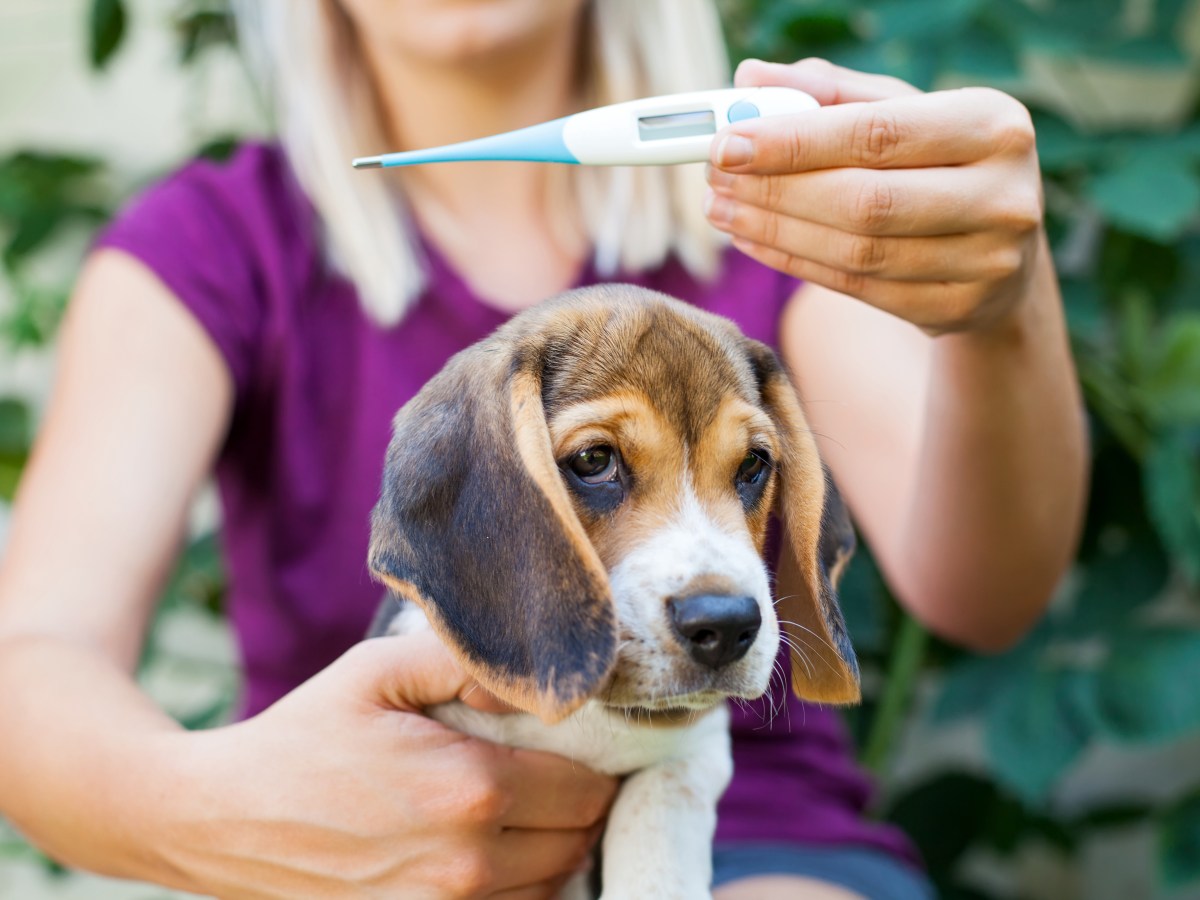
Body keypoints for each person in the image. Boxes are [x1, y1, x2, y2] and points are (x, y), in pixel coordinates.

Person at [0, 1, 1087, 897]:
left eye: (749, 469)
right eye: (599, 461)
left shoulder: (782, 211)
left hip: (748, 841)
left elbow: (981, 594)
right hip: (354, 846)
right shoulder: (213, 246)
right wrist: (222, 811)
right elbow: (31, 656)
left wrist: (1001, 310)